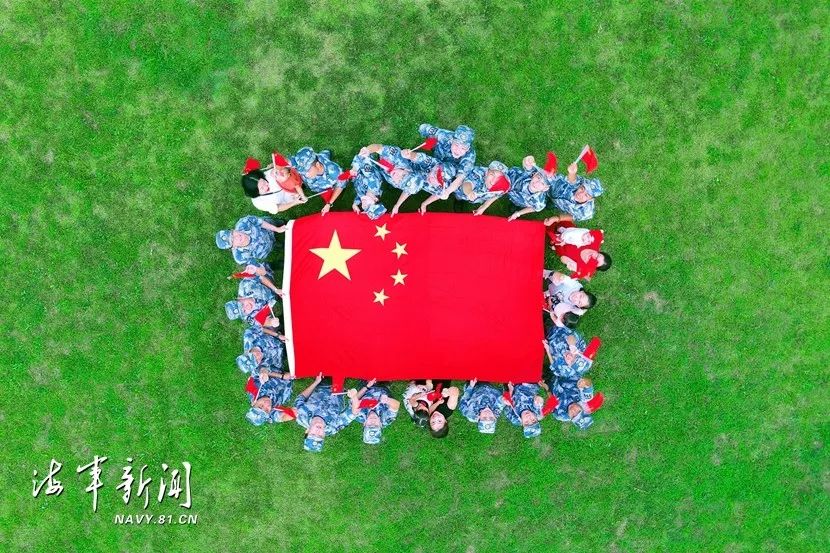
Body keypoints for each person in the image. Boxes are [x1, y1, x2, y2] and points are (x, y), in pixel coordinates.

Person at [416, 124, 476, 210]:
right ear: (452, 140)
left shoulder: (470, 156)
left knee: (450, 185)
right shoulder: (444, 136)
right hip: (437, 159)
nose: (458, 150)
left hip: (450, 170)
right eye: (456, 145)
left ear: (468, 148)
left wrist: (447, 192)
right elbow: (423, 127)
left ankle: (457, 198)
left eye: (463, 148)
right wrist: (429, 139)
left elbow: (460, 179)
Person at [293, 373, 356, 452]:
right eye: (320, 436)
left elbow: (301, 398)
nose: (318, 431)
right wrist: (354, 397)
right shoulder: (332, 427)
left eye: (313, 434)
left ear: (307, 431)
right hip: (338, 391)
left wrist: (316, 382)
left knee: (323, 370)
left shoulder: (300, 416)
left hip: (321, 386)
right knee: (341, 370)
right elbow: (353, 413)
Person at [359, 144, 426, 216]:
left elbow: (407, 191)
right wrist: (367, 150)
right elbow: (377, 147)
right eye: (403, 175)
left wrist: (397, 205)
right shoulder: (395, 157)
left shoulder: (403, 184)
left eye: (400, 181)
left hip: (384, 171)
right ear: (407, 170)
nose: (397, 177)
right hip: (388, 162)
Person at [544, 218, 611, 280]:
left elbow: (563, 258)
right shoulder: (591, 242)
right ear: (599, 252)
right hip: (564, 230)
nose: (593, 256)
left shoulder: (582, 266)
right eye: (597, 256)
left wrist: (577, 268)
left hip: (556, 242)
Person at [241, 156, 308, 215]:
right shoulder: (259, 203)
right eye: (262, 188)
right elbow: (278, 208)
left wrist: (277, 167)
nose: (266, 186)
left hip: (291, 180)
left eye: (264, 182)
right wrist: (294, 202)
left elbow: (283, 169)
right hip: (288, 197)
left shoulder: (268, 175)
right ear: (256, 193)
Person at [290, 147, 347, 215]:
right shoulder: (300, 162)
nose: (305, 174)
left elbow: (340, 186)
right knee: (322, 155)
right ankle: (325, 152)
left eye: (307, 171)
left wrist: (329, 203)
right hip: (312, 181)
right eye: (302, 171)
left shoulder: (335, 172)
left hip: (322, 186)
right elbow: (285, 162)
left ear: (317, 165)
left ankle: (326, 152)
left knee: (325, 155)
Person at [215, 215, 286, 265]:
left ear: (233, 230)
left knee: (275, 222)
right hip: (266, 248)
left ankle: (279, 223)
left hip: (268, 229)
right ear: (233, 247)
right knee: (275, 245)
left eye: (232, 234)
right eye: (232, 241)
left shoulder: (244, 223)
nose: (237, 237)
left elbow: (260, 222)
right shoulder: (240, 257)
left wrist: (277, 229)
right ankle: (275, 244)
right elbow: (254, 266)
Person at [349, 379, 400, 445]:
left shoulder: (358, 415)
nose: (373, 421)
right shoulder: (386, 419)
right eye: (376, 425)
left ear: (364, 424)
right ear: (380, 425)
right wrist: (387, 400)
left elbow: (354, 400)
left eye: (369, 425)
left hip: (366, 385)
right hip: (383, 386)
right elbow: (396, 405)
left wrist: (367, 386)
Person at [540, 377, 605, 429]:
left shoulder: (561, 415)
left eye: (573, 416)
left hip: (551, 383)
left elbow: (551, 401)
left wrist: (546, 388)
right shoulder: (585, 399)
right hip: (565, 371)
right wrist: (584, 382)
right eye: (578, 411)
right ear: (583, 409)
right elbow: (588, 384)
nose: (573, 410)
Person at [506, 155, 553, 220]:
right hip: (514, 197)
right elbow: (527, 165)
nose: (537, 183)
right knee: (515, 203)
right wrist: (528, 160)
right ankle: (514, 204)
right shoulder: (516, 176)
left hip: (522, 203)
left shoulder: (540, 202)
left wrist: (518, 214)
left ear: (545, 188)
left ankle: (517, 205)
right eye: (538, 177)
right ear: (534, 175)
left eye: (543, 183)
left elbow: (534, 208)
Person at [347, 154, 387, 219]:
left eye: (365, 208)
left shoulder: (367, 195)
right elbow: (362, 156)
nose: (364, 205)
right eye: (368, 205)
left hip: (356, 177)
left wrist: (355, 204)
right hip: (366, 159)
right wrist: (354, 168)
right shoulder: (372, 180)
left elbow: (360, 195)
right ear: (375, 199)